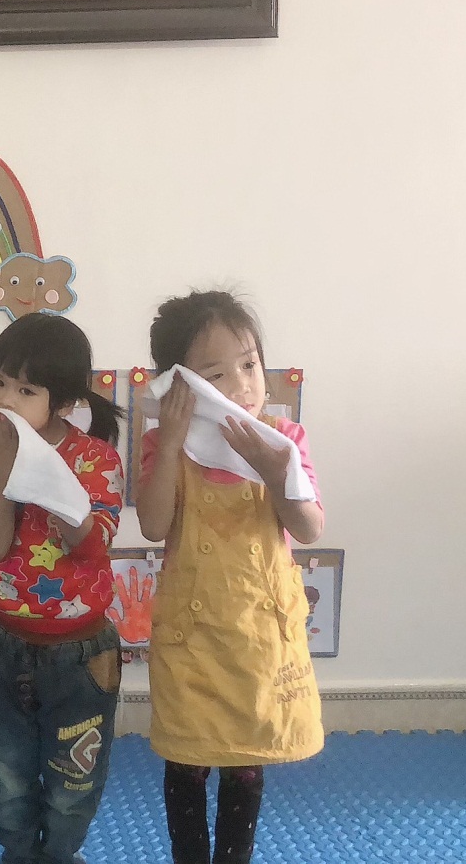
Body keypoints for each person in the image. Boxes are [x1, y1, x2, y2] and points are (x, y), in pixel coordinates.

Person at [137, 290, 325, 864]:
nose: (241, 385)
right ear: (181, 385)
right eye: (216, 373)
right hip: (191, 641)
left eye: (249, 364)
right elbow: (153, 524)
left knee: (246, 763)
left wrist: (276, 473)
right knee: (186, 761)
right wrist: (171, 444)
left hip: (256, 639)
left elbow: (309, 527)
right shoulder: (164, 445)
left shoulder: (282, 440)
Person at [0, 313, 125, 864]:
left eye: (25, 390)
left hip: (80, 653)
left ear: (64, 402)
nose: (5, 399)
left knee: (74, 783)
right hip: (0, 642)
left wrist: (47, 481)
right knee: (5, 781)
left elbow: (92, 546)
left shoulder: (96, 458)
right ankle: (17, 854)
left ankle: (59, 855)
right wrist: (2, 471)